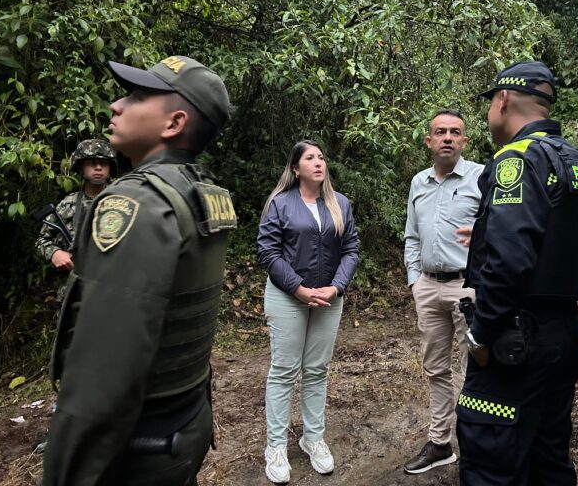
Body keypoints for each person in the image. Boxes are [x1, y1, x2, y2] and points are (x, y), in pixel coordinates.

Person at [42, 55, 235, 486]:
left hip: (138, 449)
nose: (116, 104)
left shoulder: (136, 204)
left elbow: (103, 376)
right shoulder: (203, 193)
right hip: (184, 425)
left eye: (136, 95)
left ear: (174, 123)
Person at [458, 60, 578, 486]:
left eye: (490, 105)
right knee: (548, 458)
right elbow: (552, 235)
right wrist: (491, 230)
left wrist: (481, 335)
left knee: (493, 462)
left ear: (503, 100)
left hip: (515, 342)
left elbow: (509, 264)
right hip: (564, 334)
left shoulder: (517, 160)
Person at [257, 140, 359, 484]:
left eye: (321, 156)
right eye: (309, 158)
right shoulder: (280, 203)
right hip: (288, 297)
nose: (318, 162)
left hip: (329, 298)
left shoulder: (339, 203)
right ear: (296, 168)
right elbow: (268, 252)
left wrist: (336, 286)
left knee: (317, 369)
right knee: (284, 370)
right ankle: (275, 447)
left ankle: (312, 438)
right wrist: (298, 288)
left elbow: (351, 249)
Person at [402, 109, 484, 474]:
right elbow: (411, 236)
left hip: (468, 287)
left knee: (476, 368)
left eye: (455, 132)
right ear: (429, 140)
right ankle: (440, 444)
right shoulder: (418, 182)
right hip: (429, 287)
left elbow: (498, 231)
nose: (448, 137)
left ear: (465, 140)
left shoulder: (482, 177)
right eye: (441, 132)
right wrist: (414, 279)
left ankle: (476, 444)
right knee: (435, 368)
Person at [35, 139, 116, 271]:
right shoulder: (68, 203)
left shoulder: (122, 201)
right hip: (75, 284)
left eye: (104, 163)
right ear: (81, 168)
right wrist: (55, 253)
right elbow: (41, 241)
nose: (98, 168)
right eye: (92, 163)